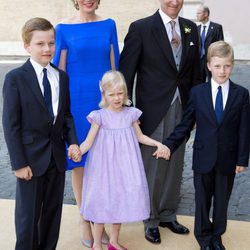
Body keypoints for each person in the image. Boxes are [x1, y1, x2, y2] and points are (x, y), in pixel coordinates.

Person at [119, 0, 201, 244]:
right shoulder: (141, 27)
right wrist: (127, 108)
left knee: (175, 162)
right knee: (152, 165)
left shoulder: (190, 28)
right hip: (152, 109)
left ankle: (167, 213)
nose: (174, 1)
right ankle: (150, 218)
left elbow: (196, 72)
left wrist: (196, 110)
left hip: (183, 107)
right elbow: (126, 70)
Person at [2, 17, 81, 250]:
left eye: (51, 43)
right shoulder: (15, 79)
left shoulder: (61, 77)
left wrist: (73, 143)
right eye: (40, 44)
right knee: (28, 218)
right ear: (27, 45)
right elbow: (11, 125)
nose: (47, 49)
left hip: (56, 159)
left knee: (52, 215)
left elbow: (65, 116)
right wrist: (19, 163)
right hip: (30, 162)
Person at [163, 41, 250, 250]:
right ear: (209, 65)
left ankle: (216, 236)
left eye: (227, 66)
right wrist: (169, 145)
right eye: (218, 66)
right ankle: (203, 237)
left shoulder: (241, 94)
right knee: (202, 201)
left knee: (221, 202)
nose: (222, 71)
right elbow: (185, 124)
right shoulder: (198, 93)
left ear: (233, 65)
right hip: (203, 157)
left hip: (227, 158)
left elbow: (244, 130)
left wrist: (241, 159)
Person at [77, 70, 169, 250]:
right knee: (102, 204)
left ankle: (113, 241)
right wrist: (77, 151)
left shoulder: (130, 114)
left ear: (126, 93)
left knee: (119, 202)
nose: (117, 98)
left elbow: (141, 137)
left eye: (120, 93)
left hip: (124, 167)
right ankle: (97, 244)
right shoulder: (99, 116)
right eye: (112, 94)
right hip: (103, 168)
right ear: (104, 94)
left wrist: (158, 144)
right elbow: (88, 142)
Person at [53, 0, 120, 247]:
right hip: (77, 101)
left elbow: (115, 66)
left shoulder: (109, 25)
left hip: (103, 101)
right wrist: (61, 109)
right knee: (80, 160)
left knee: (104, 162)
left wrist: (118, 103)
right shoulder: (63, 29)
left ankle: (100, 218)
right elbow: (59, 71)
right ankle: (84, 217)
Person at [197, 4, 224, 82]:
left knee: (213, 81)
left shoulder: (217, 27)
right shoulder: (196, 28)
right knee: (199, 82)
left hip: (212, 60)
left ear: (205, 14)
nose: (197, 15)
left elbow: (220, 44)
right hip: (199, 61)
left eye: (199, 13)